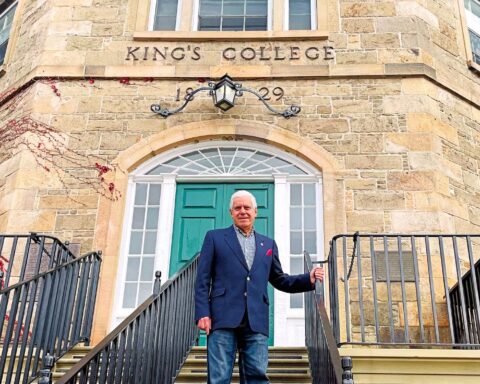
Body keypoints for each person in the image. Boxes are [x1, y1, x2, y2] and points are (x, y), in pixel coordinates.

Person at [194, 190, 324, 384]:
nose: (243, 211)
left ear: (256, 212)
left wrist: (309, 279)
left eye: (247, 207)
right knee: (219, 377)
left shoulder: (268, 244)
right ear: (231, 212)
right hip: (222, 316)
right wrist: (203, 312)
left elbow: (280, 279)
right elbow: (202, 279)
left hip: (256, 319)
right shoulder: (214, 238)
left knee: (257, 376)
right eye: (238, 208)